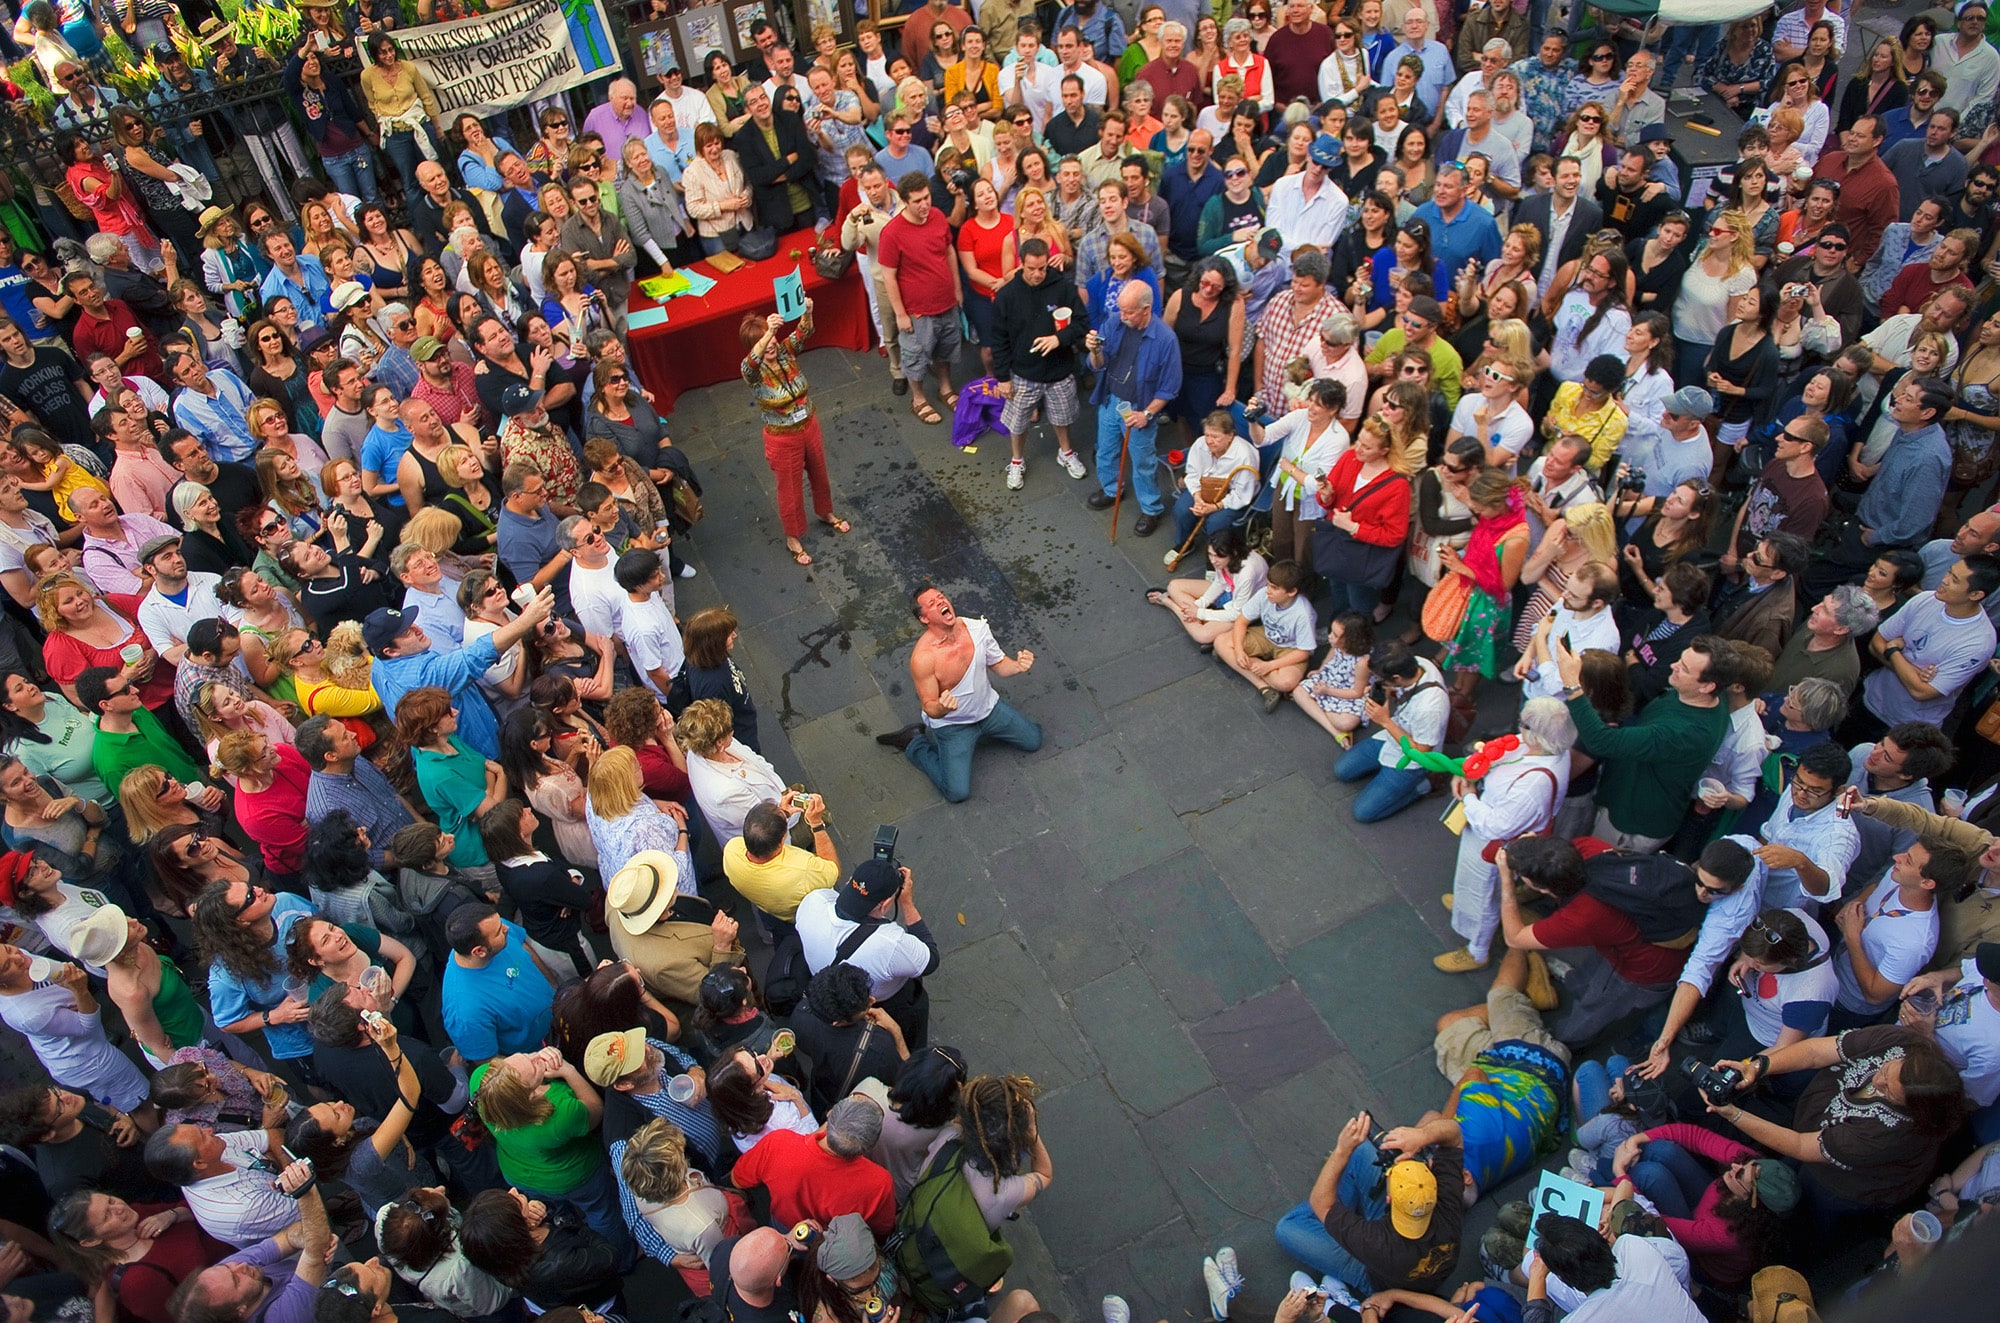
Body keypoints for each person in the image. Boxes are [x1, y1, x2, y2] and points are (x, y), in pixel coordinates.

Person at [1554, 632, 1733, 852]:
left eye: (1684, 668)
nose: (1673, 666)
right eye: (1680, 659)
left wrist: (1572, 684)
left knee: (1594, 868)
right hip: (1622, 796)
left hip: (1630, 823)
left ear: (1708, 687)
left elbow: (1601, 741)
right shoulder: (1710, 697)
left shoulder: (1681, 734)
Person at [872, 586, 1042, 803]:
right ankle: (913, 742)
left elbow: (999, 665)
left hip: (989, 710)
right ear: (924, 618)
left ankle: (986, 732)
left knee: (1034, 740)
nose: (941, 602)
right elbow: (929, 706)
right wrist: (942, 708)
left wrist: (1018, 666)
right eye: (932, 603)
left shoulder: (977, 629)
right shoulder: (924, 658)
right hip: (953, 726)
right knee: (957, 793)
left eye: (941, 597)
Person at [1274, 1109, 1465, 1297]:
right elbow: (1454, 1134)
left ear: (1388, 1199)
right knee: (1364, 1149)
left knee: (1288, 1228)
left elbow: (1320, 1202)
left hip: (1374, 1274)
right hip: (1417, 1263)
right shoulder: (1447, 1199)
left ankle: (1339, 1216)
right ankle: (1340, 1217)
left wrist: (1341, 1151)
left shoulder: (1378, 1241)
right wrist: (1423, 1135)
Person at [1332, 639, 1451, 823]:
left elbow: (1421, 752)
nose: (1379, 681)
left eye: (1381, 679)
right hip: (1392, 736)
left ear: (1396, 678)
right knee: (1342, 771)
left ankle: (1425, 785)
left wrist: (1385, 721)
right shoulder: (1418, 664)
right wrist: (1386, 692)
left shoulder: (1430, 707)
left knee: (1362, 812)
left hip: (1411, 760)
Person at [439, 903, 560, 1067]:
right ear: (479, 951)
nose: (506, 928)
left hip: (559, 1014)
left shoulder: (494, 927)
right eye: (498, 932)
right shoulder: (465, 1012)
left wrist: (554, 986)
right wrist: (538, 1065)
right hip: (542, 1057)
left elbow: (524, 949)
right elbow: (490, 1064)